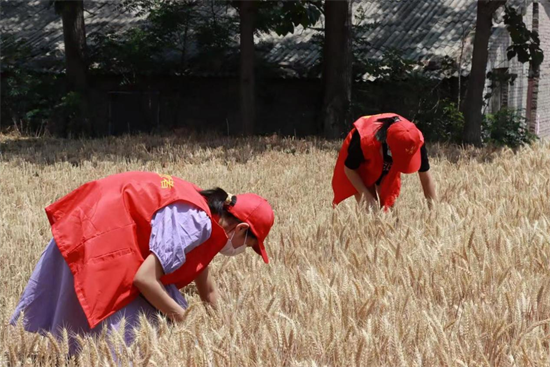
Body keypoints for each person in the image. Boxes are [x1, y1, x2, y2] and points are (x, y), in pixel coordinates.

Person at [10, 171, 274, 353]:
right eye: (250, 245)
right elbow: (144, 279)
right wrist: (186, 322)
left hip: (99, 223)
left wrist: (229, 330)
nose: (243, 251)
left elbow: (209, 290)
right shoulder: (197, 222)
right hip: (98, 233)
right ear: (240, 229)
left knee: (155, 315)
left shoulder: (206, 217)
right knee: (137, 331)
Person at [332, 113, 436, 209]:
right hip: (362, 164)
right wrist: (366, 195)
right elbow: (350, 169)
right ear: (388, 146)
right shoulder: (363, 140)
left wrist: (433, 212)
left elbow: (425, 178)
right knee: (370, 209)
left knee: (388, 207)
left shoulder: (415, 141)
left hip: (384, 158)